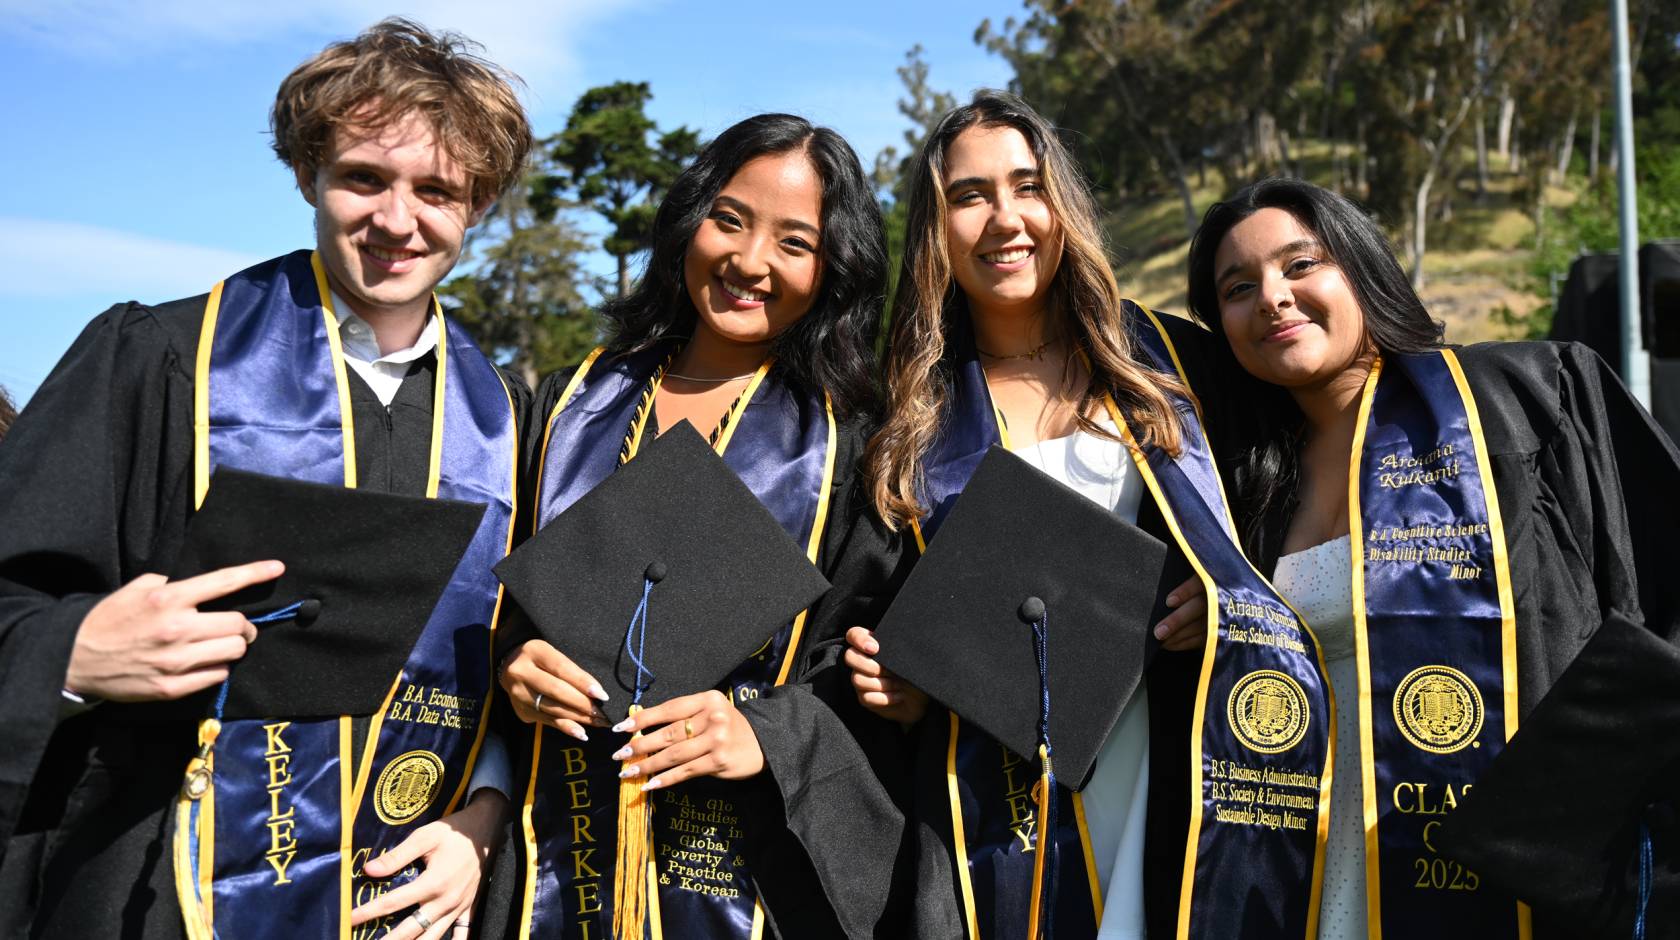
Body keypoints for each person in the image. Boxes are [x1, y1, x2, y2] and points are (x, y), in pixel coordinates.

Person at [0, 19, 534, 939]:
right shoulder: (163, 361)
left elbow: (519, 659)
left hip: (402, 899)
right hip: (158, 884)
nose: (398, 221)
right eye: (364, 177)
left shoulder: (509, 417)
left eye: (437, 190)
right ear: (308, 176)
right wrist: (75, 653)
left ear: (477, 205)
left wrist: (482, 818)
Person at [842, 91, 1309, 940]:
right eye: (970, 195)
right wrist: (901, 687)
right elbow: (881, 612)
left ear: (1064, 205)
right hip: (994, 795)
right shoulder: (905, 412)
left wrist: (1234, 603)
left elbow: (1288, 511)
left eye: (1028, 186)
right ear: (935, 225)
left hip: (1167, 752)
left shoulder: (1170, 364)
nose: (1005, 219)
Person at [1182, 177, 1680, 938]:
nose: (1273, 298)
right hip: (1309, 873)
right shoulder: (1240, 490)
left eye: (1301, 264)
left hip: (1520, 873)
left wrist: (1591, 825)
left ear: (1361, 266)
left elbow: (1661, 591)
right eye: (1238, 287)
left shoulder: (1522, 403)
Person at [495, 113, 905, 939]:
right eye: (729, 219)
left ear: (834, 271)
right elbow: (493, 598)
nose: (750, 261)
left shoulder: (855, 448)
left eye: (795, 242)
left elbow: (876, 669)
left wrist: (769, 730)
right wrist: (513, 662)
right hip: (551, 846)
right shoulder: (566, 406)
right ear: (688, 221)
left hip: (748, 880)